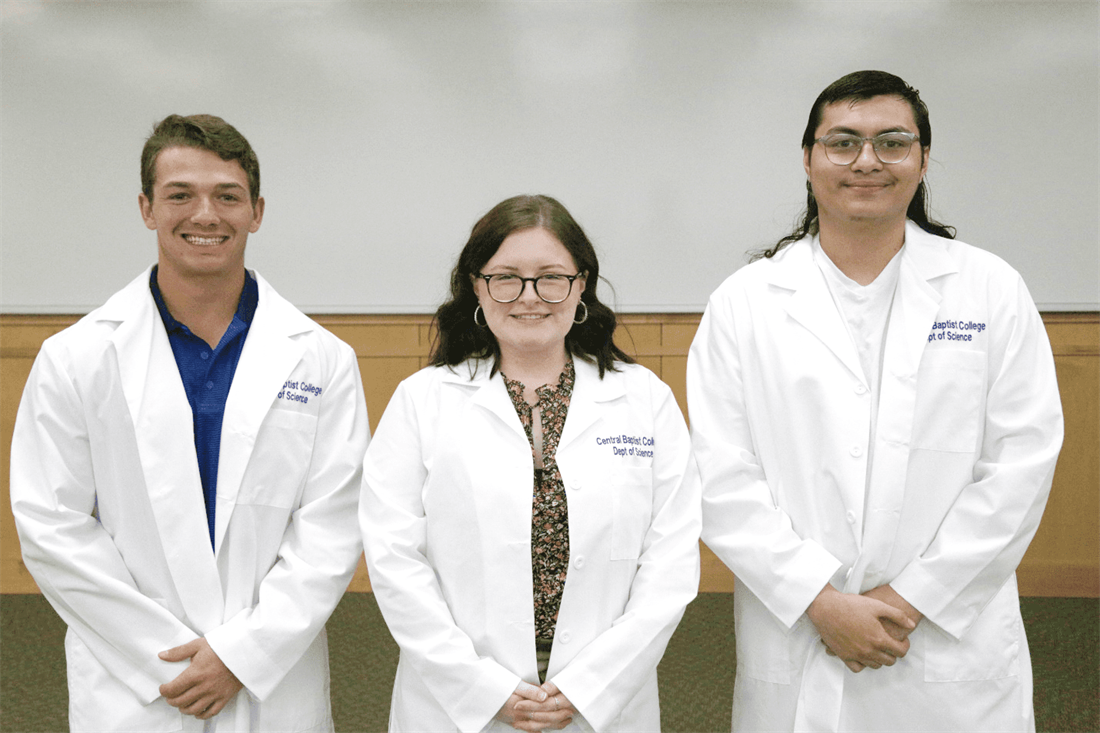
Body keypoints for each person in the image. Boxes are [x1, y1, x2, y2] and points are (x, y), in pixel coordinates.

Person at [688, 70, 1063, 732]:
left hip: (946, 639)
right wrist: (819, 600)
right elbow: (720, 474)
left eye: (893, 142)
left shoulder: (988, 289)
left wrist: (908, 598)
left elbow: (1021, 463)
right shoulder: (744, 303)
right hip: (802, 628)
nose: (867, 160)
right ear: (808, 159)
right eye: (843, 142)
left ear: (922, 159)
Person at [10, 114, 369, 732]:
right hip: (136, 678)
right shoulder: (77, 356)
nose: (205, 215)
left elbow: (332, 527)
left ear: (256, 211)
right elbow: (52, 524)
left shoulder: (321, 358)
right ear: (147, 208)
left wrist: (243, 655)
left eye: (227, 196)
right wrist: (165, 656)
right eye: (181, 195)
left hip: (271, 676)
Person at [361, 194, 701, 732]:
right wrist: (481, 688)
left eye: (550, 277)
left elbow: (671, 562)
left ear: (581, 283)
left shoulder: (645, 400)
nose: (529, 297)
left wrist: (590, 686)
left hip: (600, 703)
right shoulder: (421, 401)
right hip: (460, 702)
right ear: (476, 285)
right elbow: (394, 560)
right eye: (506, 277)